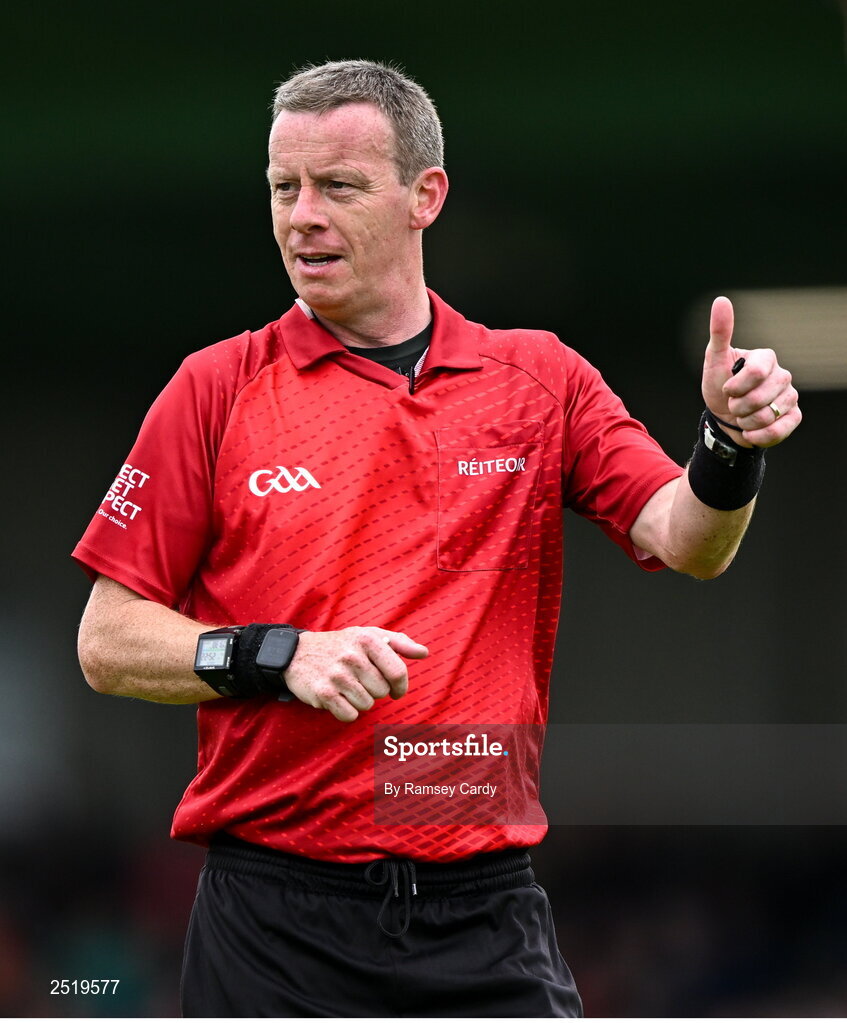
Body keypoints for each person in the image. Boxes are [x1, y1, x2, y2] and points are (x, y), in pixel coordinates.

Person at [73, 59, 801, 1017]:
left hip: (481, 913)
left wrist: (726, 444)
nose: (301, 217)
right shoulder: (215, 388)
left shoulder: (536, 379)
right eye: (282, 188)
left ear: (426, 196)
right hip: (270, 922)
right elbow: (106, 640)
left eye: (337, 186)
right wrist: (277, 654)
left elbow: (688, 538)